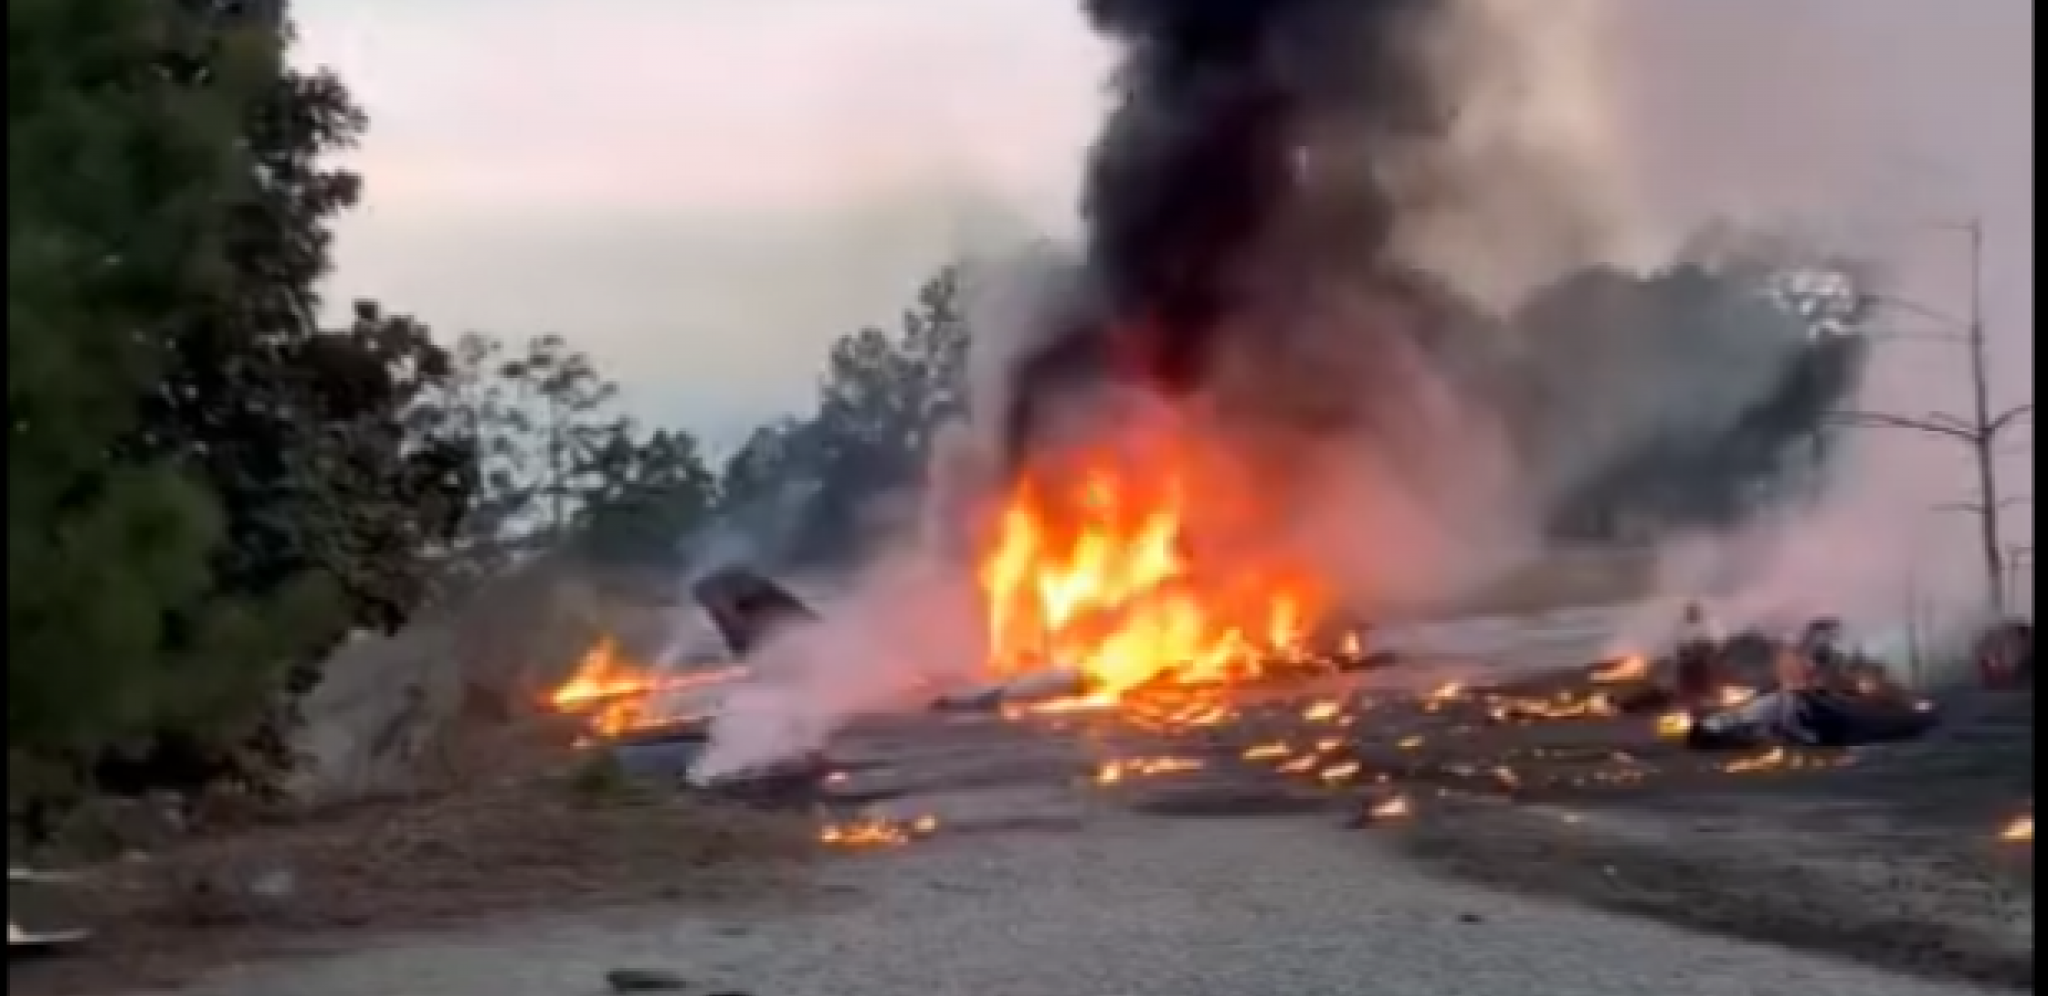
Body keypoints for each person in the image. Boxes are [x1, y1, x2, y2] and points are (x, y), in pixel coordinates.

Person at [1670, 600, 1724, 704]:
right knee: (1684, 677)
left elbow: (1718, 640)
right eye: (1690, 612)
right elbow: (1676, 644)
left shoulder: (1709, 624)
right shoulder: (1680, 627)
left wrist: (1706, 646)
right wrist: (1684, 651)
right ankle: (1690, 701)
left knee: (1711, 673)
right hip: (1688, 663)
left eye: (1694, 611)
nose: (1692, 614)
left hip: (1706, 660)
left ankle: (1715, 696)